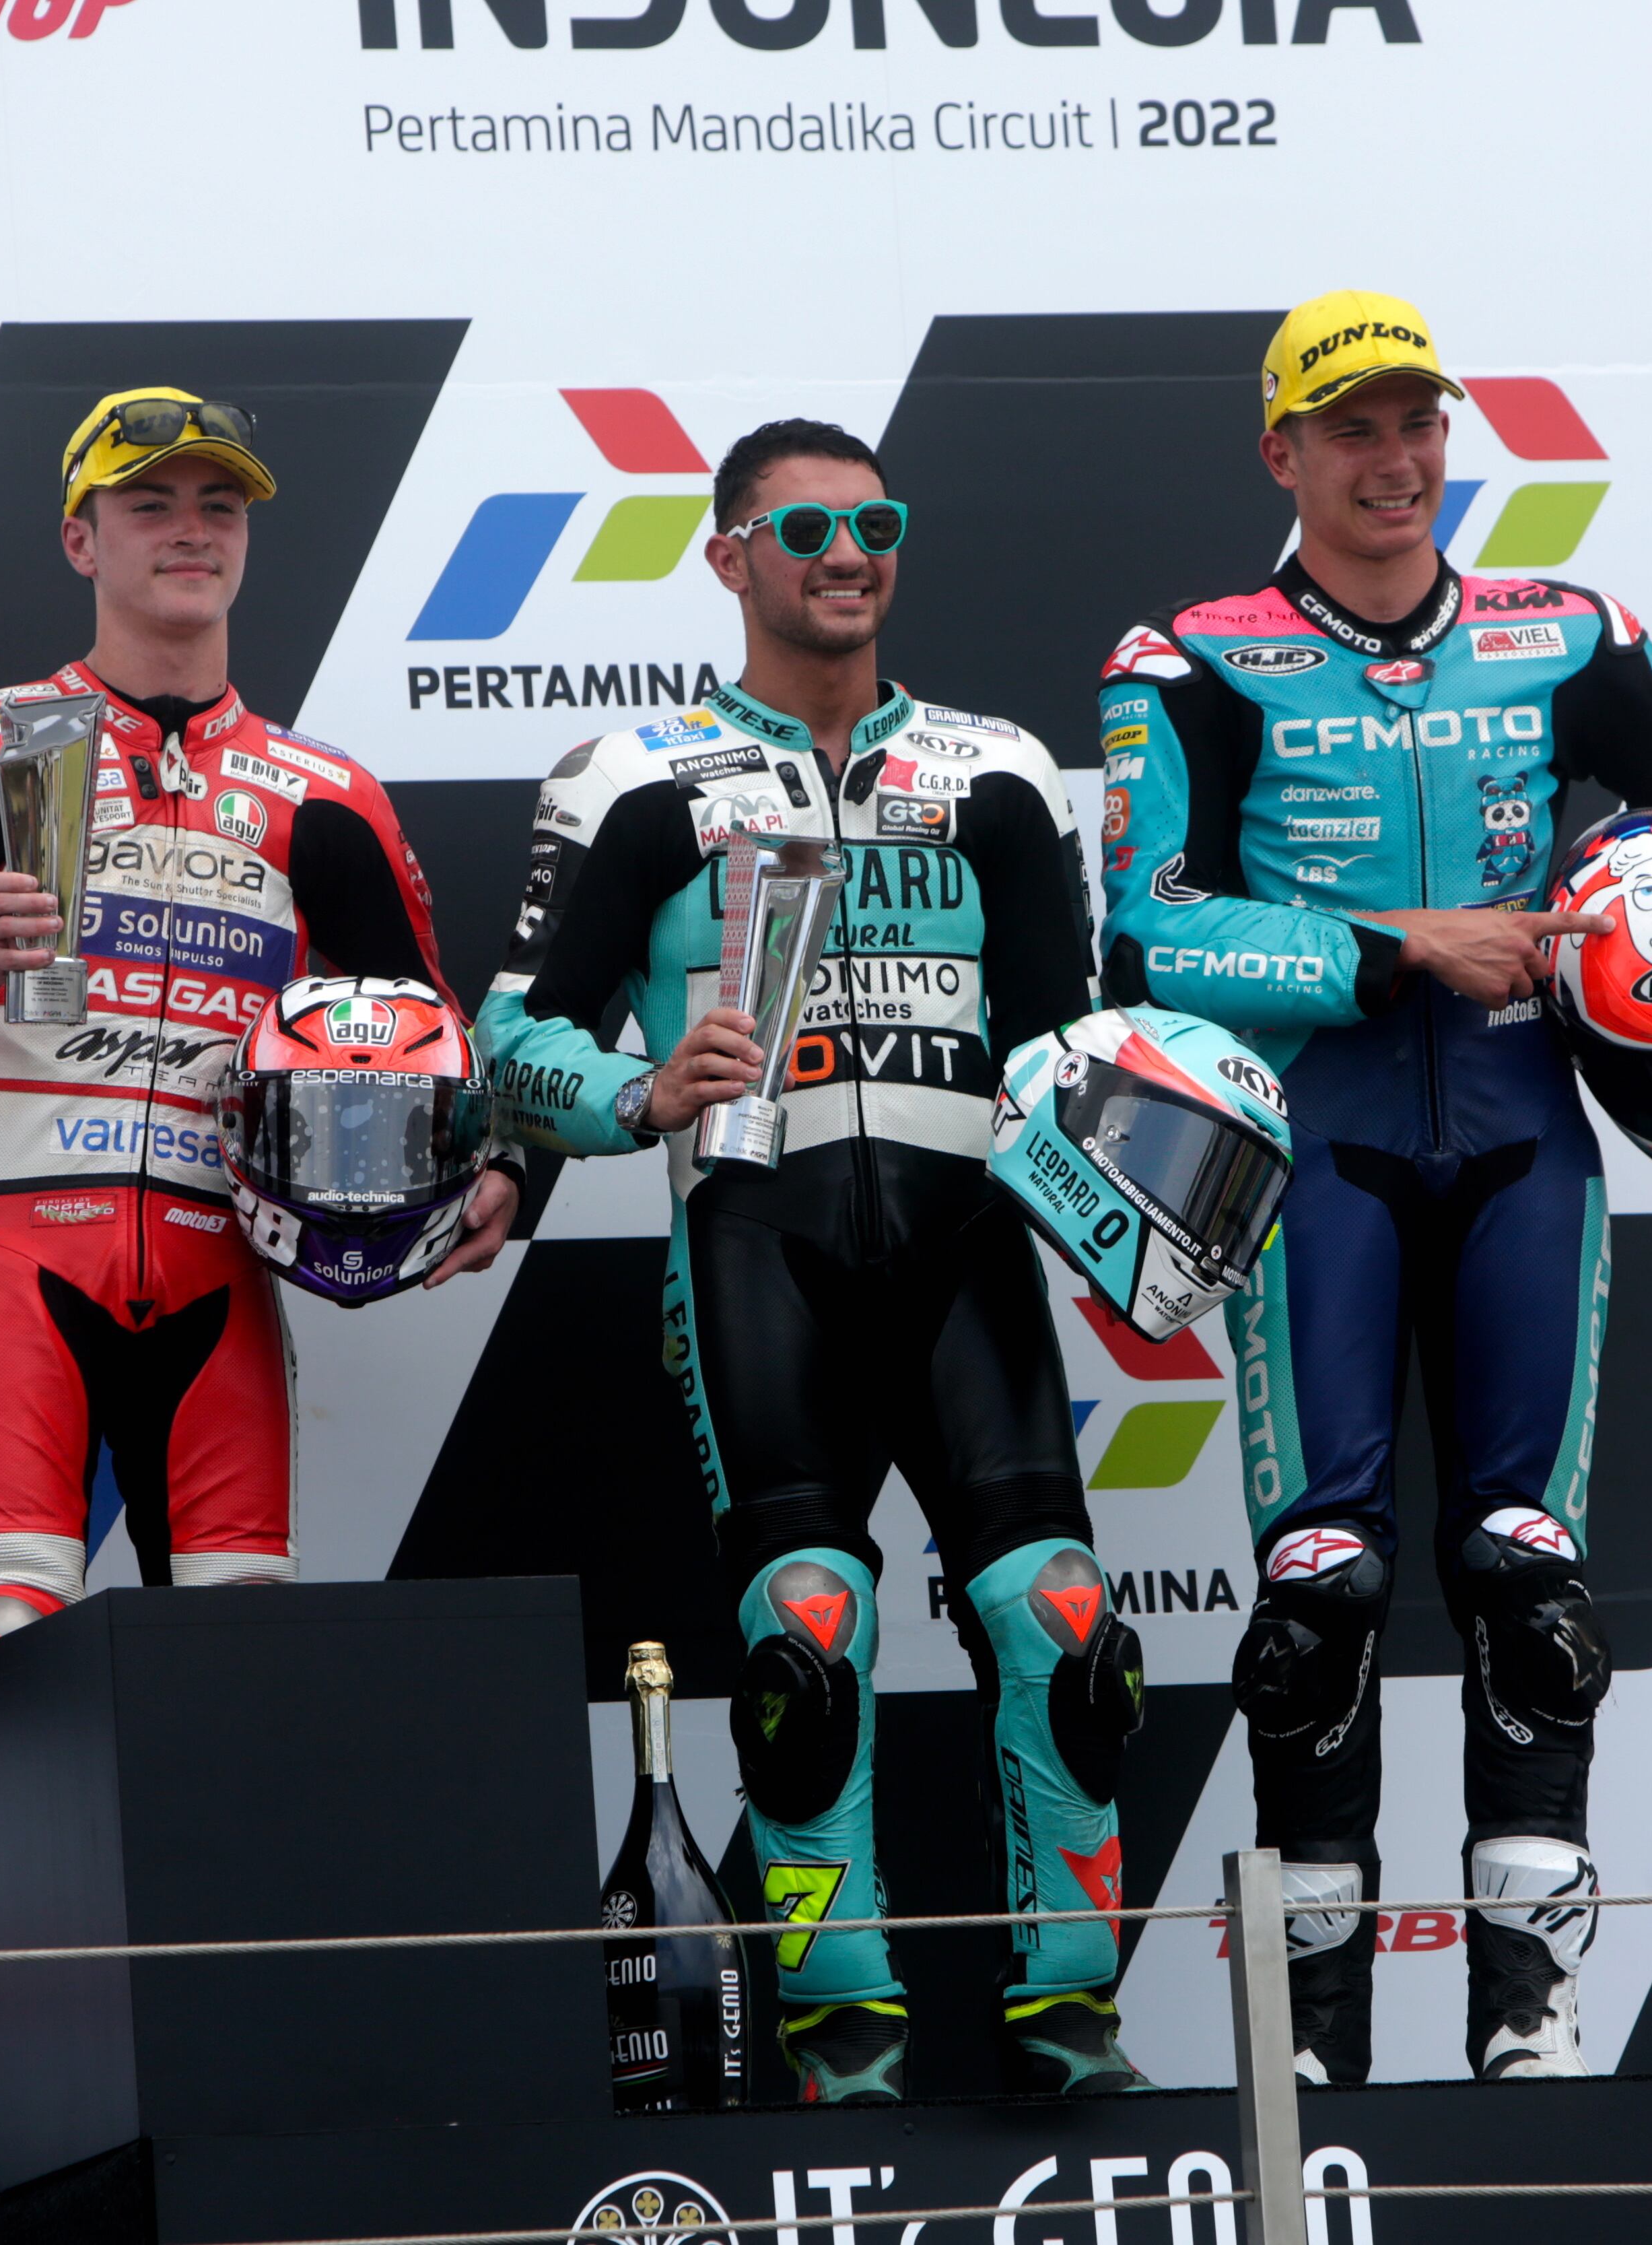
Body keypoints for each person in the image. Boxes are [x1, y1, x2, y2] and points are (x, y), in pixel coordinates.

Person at [1097, 294, 1652, 2083]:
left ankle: (1528, 2029)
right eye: (1351, 430)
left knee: (1526, 1578)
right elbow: (1143, 932)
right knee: (1315, 1593)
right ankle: (1310, 2053)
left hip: (1528, 1130)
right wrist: (1398, 946)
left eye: (1417, 426)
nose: (1393, 462)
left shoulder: (1563, 630)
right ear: (1279, 454)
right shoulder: (1188, 659)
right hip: (1311, 1144)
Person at [0, 387, 519, 2192]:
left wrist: (484, 1179)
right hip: (11, 1253)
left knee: (231, 1689)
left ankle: (222, 2081)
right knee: (1, 1656)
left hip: (211, 1277)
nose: (188, 529)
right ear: (77, 536)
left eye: (217, 503)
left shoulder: (322, 795)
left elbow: (432, 1056)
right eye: (147, 501)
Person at [478, 419, 1150, 2101]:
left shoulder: (997, 768)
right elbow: (509, 1041)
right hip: (754, 1237)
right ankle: (843, 2045)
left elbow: (1069, 1040)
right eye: (805, 530)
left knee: (1060, 1617)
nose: (846, 555)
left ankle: (1071, 2023)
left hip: (965, 1240)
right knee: (804, 1624)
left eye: (875, 524)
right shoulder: (631, 777)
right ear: (727, 559)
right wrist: (638, 1090)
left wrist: (1160, 1169)